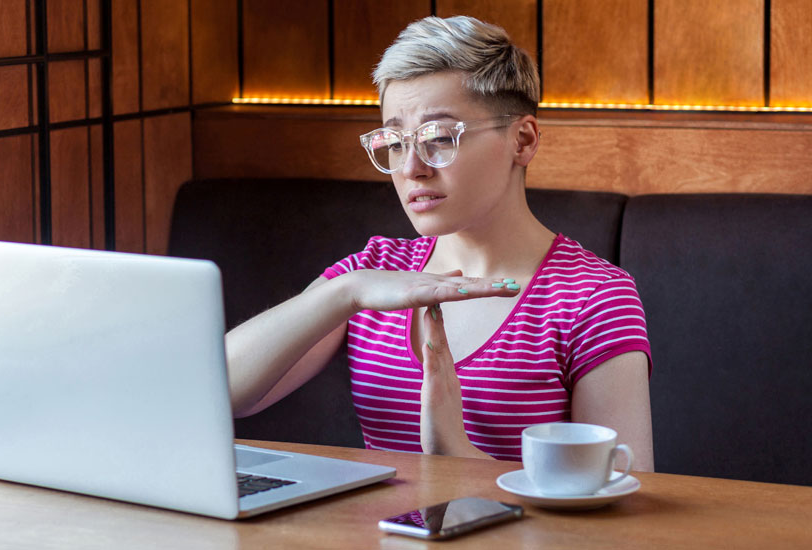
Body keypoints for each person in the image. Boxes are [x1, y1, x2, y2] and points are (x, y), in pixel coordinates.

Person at [226, 16, 653, 470]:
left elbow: (624, 509)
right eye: (394, 142)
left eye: (440, 138)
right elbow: (221, 392)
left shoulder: (593, 297)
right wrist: (345, 291)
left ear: (522, 140)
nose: (411, 168)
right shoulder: (373, 273)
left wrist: (459, 458)